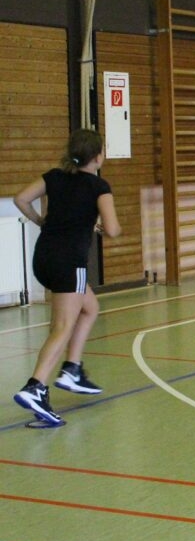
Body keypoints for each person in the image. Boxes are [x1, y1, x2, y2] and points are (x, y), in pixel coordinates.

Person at [13, 129, 122, 426]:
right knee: (62, 327)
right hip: (69, 263)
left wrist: (41, 220)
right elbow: (113, 229)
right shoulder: (99, 186)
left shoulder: (53, 177)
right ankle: (35, 387)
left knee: (90, 308)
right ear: (98, 157)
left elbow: (21, 199)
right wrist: (99, 224)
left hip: (43, 258)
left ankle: (72, 369)